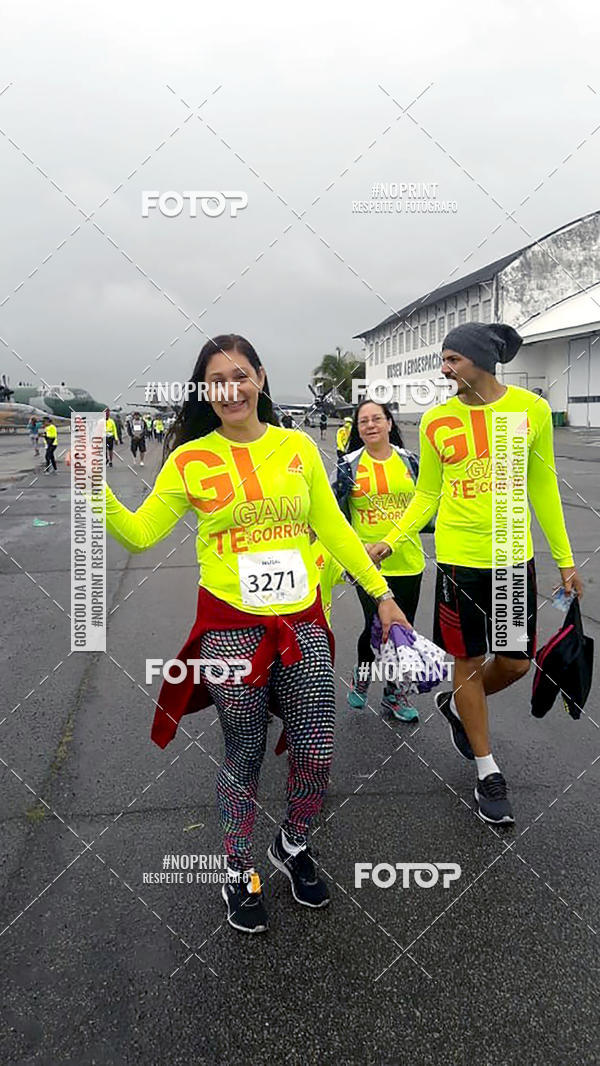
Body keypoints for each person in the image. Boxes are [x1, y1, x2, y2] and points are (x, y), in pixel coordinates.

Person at [99, 334, 409, 934]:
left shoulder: (297, 449)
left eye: (241, 375)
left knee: (317, 749)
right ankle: (237, 865)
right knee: (242, 752)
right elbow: (139, 534)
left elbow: (336, 530)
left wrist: (383, 596)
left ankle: (292, 845)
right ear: (204, 391)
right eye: (217, 380)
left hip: (302, 625)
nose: (231, 388)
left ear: (261, 379)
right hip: (232, 632)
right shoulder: (190, 459)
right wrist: (93, 489)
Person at [369, 322, 583, 825]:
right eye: (443, 360)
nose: (444, 370)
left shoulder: (529, 412)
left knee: (514, 664)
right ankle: (487, 770)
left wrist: (566, 560)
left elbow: (544, 489)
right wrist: (391, 538)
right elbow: (427, 495)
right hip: (458, 560)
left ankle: (458, 704)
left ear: (482, 361)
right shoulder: (437, 421)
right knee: (466, 659)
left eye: (452, 360)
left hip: (513, 556)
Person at [335, 400, 425, 722]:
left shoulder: (410, 462)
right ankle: (363, 674)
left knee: (402, 629)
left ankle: (393, 694)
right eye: (363, 421)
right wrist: (354, 552)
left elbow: (425, 506)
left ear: (389, 423)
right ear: (357, 429)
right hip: (367, 562)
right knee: (376, 624)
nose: (370, 425)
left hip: (409, 559)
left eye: (377, 419)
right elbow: (336, 516)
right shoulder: (348, 465)